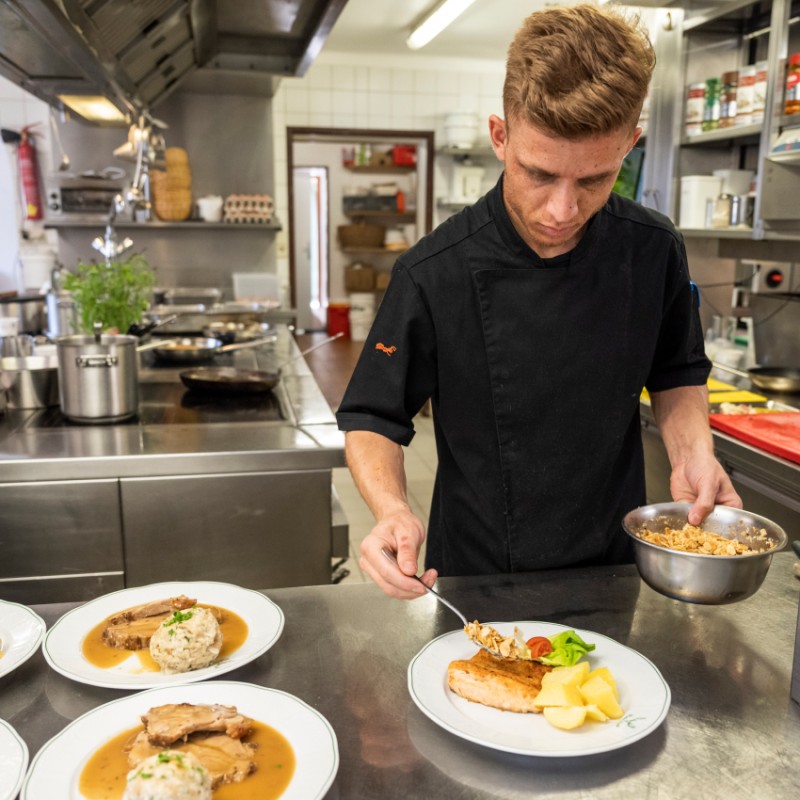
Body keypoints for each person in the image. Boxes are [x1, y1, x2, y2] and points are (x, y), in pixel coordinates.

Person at [336, 4, 741, 599]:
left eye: (594, 180)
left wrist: (694, 454)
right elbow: (374, 416)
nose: (562, 210)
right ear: (501, 137)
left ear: (630, 145)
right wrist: (391, 509)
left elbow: (677, 371)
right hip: (477, 570)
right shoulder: (433, 271)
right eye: (540, 174)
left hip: (614, 563)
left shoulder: (653, 250)